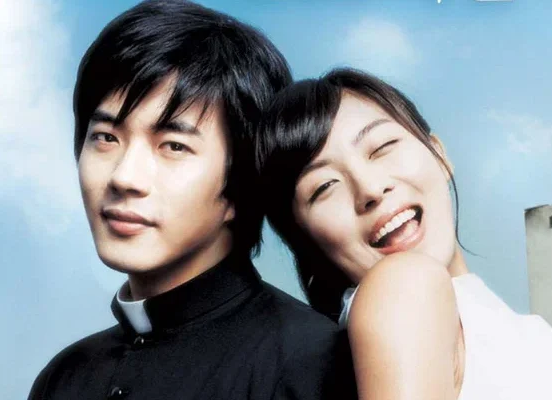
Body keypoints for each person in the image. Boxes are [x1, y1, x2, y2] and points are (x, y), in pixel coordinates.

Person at [28, 2, 356, 399]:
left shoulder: (311, 364)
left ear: (243, 179)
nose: (124, 177)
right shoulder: (63, 378)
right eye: (106, 138)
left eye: (173, 146)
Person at [256, 67, 552, 400]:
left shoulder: (517, 329)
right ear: (306, 241)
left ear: (439, 154)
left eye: (383, 146)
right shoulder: (404, 286)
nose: (371, 188)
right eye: (324, 187)